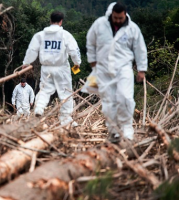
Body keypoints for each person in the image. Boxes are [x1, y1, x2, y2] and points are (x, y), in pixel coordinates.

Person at [85, 2, 148, 143]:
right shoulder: (99, 24)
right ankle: (114, 131)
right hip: (103, 68)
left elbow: (140, 49)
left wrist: (141, 69)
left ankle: (127, 128)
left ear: (125, 14)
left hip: (124, 68)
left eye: (120, 18)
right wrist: (92, 60)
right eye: (115, 18)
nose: (118, 20)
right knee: (109, 102)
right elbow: (90, 42)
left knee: (125, 98)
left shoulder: (132, 28)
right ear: (111, 14)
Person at [22, 11, 81, 127]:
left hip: (46, 68)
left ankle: (39, 108)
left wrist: (26, 63)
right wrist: (77, 63)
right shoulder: (65, 35)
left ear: (50, 21)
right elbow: (74, 50)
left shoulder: (40, 35)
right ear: (61, 21)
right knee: (66, 93)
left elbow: (32, 50)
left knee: (44, 90)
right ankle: (65, 118)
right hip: (62, 68)